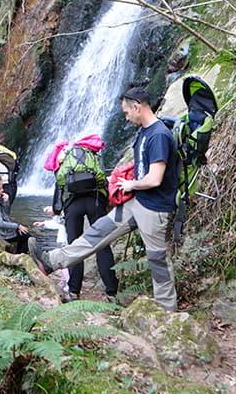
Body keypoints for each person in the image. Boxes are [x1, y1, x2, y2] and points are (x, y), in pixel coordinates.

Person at [28, 87, 178, 311]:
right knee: (98, 232)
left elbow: (155, 178)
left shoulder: (158, 135)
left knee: (158, 259)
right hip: (137, 202)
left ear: (137, 107)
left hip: (154, 209)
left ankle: (167, 311)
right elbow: (142, 169)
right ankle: (51, 261)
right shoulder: (145, 133)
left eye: (127, 112)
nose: (126, 117)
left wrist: (131, 185)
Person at [48, 141, 119, 302]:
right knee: (103, 245)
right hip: (95, 201)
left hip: (72, 205)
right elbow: (103, 180)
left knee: (74, 246)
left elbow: (59, 186)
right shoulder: (91, 156)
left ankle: (74, 292)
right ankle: (112, 293)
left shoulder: (63, 158)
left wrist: (57, 209)